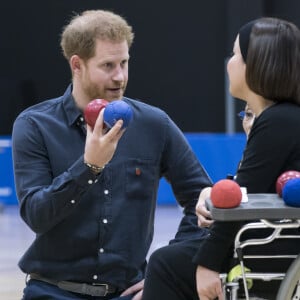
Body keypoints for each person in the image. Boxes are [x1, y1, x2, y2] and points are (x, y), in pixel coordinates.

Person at [11, 10, 212, 300]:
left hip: (129, 294)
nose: (120, 76)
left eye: (124, 63)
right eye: (108, 65)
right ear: (77, 65)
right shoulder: (34, 126)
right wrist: (89, 167)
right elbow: (36, 216)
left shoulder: (154, 124)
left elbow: (202, 198)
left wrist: (166, 272)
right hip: (53, 292)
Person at [142, 17, 300, 300]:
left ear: (257, 64)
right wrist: (212, 197)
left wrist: (207, 264)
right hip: (273, 243)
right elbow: (248, 188)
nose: (230, 62)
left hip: (271, 250)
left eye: (236, 54)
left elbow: (240, 198)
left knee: (165, 264)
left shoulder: (278, 121)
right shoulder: (283, 118)